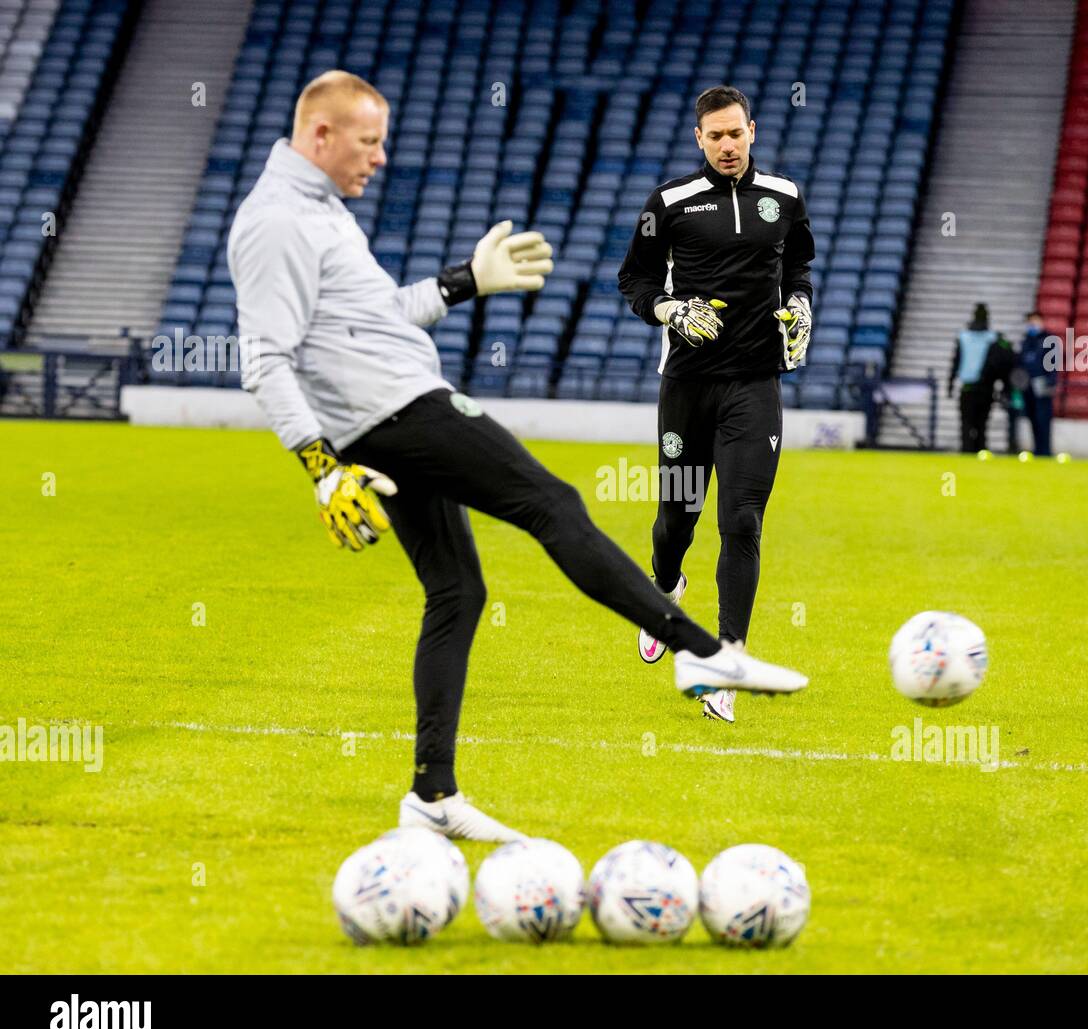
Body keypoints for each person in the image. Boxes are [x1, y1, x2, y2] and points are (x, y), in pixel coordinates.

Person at [228, 71, 807, 842]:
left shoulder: (320, 212)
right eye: (369, 142)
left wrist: (469, 280)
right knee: (558, 504)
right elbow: (264, 358)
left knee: (457, 593)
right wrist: (320, 468)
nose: (381, 157)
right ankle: (705, 653)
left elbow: (381, 313)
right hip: (403, 412)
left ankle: (432, 797)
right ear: (321, 137)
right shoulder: (276, 222)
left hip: (391, 415)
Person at [617, 85, 815, 724]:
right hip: (687, 385)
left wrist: (803, 308)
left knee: (742, 521)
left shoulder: (783, 199)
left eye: (736, 133)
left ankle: (728, 660)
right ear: (698, 139)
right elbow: (635, 280)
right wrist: (671, 309)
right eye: (715, 137)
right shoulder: (668, 204)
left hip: (754, 385)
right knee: (678, 517)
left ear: (752, 130)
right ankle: (666, 591)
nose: (728, 146)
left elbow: (800, 270)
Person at [948, 303, 997, 452]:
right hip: (986, 387)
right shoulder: (992, 338)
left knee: (967, 423)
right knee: (981, 423)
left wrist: (950, 383)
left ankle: (967, 449)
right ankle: (979, 449)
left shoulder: (964, 336)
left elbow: (956, 361)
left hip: (968, 386)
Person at [1017, 310, 1055, 456]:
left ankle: (1045, 450)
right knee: (1032, 418)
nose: (1031, 325)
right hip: (1027, 386)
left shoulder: (1048, 340)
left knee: (1043, 419)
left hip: (1042, 384)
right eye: (1029, 322)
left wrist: (1051, 381)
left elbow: (1054, 362)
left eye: (1034, 321)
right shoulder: (1026, 341)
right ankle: (1037, 449)